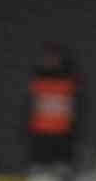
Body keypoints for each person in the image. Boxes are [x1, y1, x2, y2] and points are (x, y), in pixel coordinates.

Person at [27, 42, 82, 171]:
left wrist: (74, 129)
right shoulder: (36, 80)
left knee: (63, 171)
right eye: (47, 57)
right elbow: (29, 108)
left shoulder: (71, 81)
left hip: (63, 137)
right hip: (40, 136)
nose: (50, 61)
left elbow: (76, 109)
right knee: (38, 171)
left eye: (54, 57)